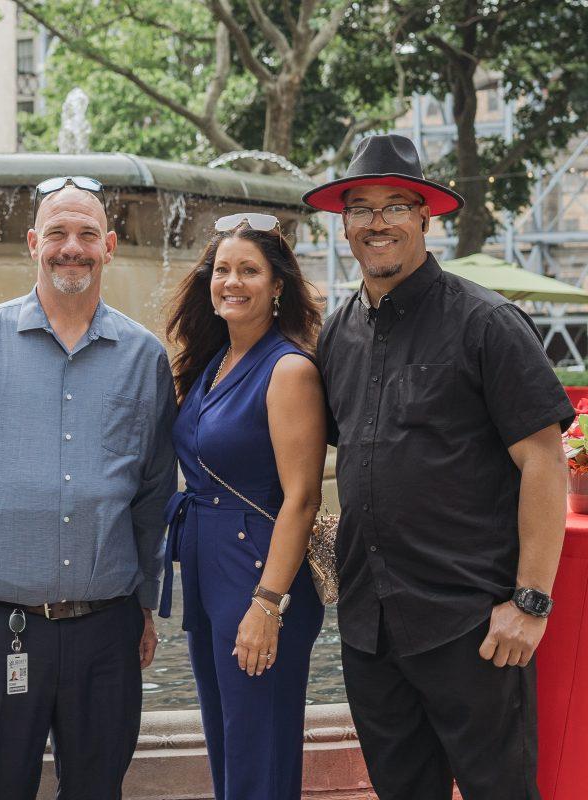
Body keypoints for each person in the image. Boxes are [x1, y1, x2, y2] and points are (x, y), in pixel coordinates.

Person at [308, 134, 571, 800]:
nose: (378, 222)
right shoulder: (337, 333)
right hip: (371, 628)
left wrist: (530, 603)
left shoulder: (487, 322)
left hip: (472, 625)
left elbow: (544, 462)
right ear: (344, 223)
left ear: (426, 217)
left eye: (396, 206)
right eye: (361, 208)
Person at [0, 176, 178, 800]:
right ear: (34, 243)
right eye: (57, 233)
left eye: (87, 234)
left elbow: (153, 493)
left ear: (109, 247)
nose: (72, 248)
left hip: (106, 629)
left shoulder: (144, 358)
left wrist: (145, 601)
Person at [158, 212, 327, 799]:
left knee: (260, 745)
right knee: (229, 740)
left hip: (258, 567)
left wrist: (268, 604)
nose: (232, 281)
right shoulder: (212, 362)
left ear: (277, 285)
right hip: (208, 564)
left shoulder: (288, 370)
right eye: (222, 269)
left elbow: (303, 498)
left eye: (249, 270)